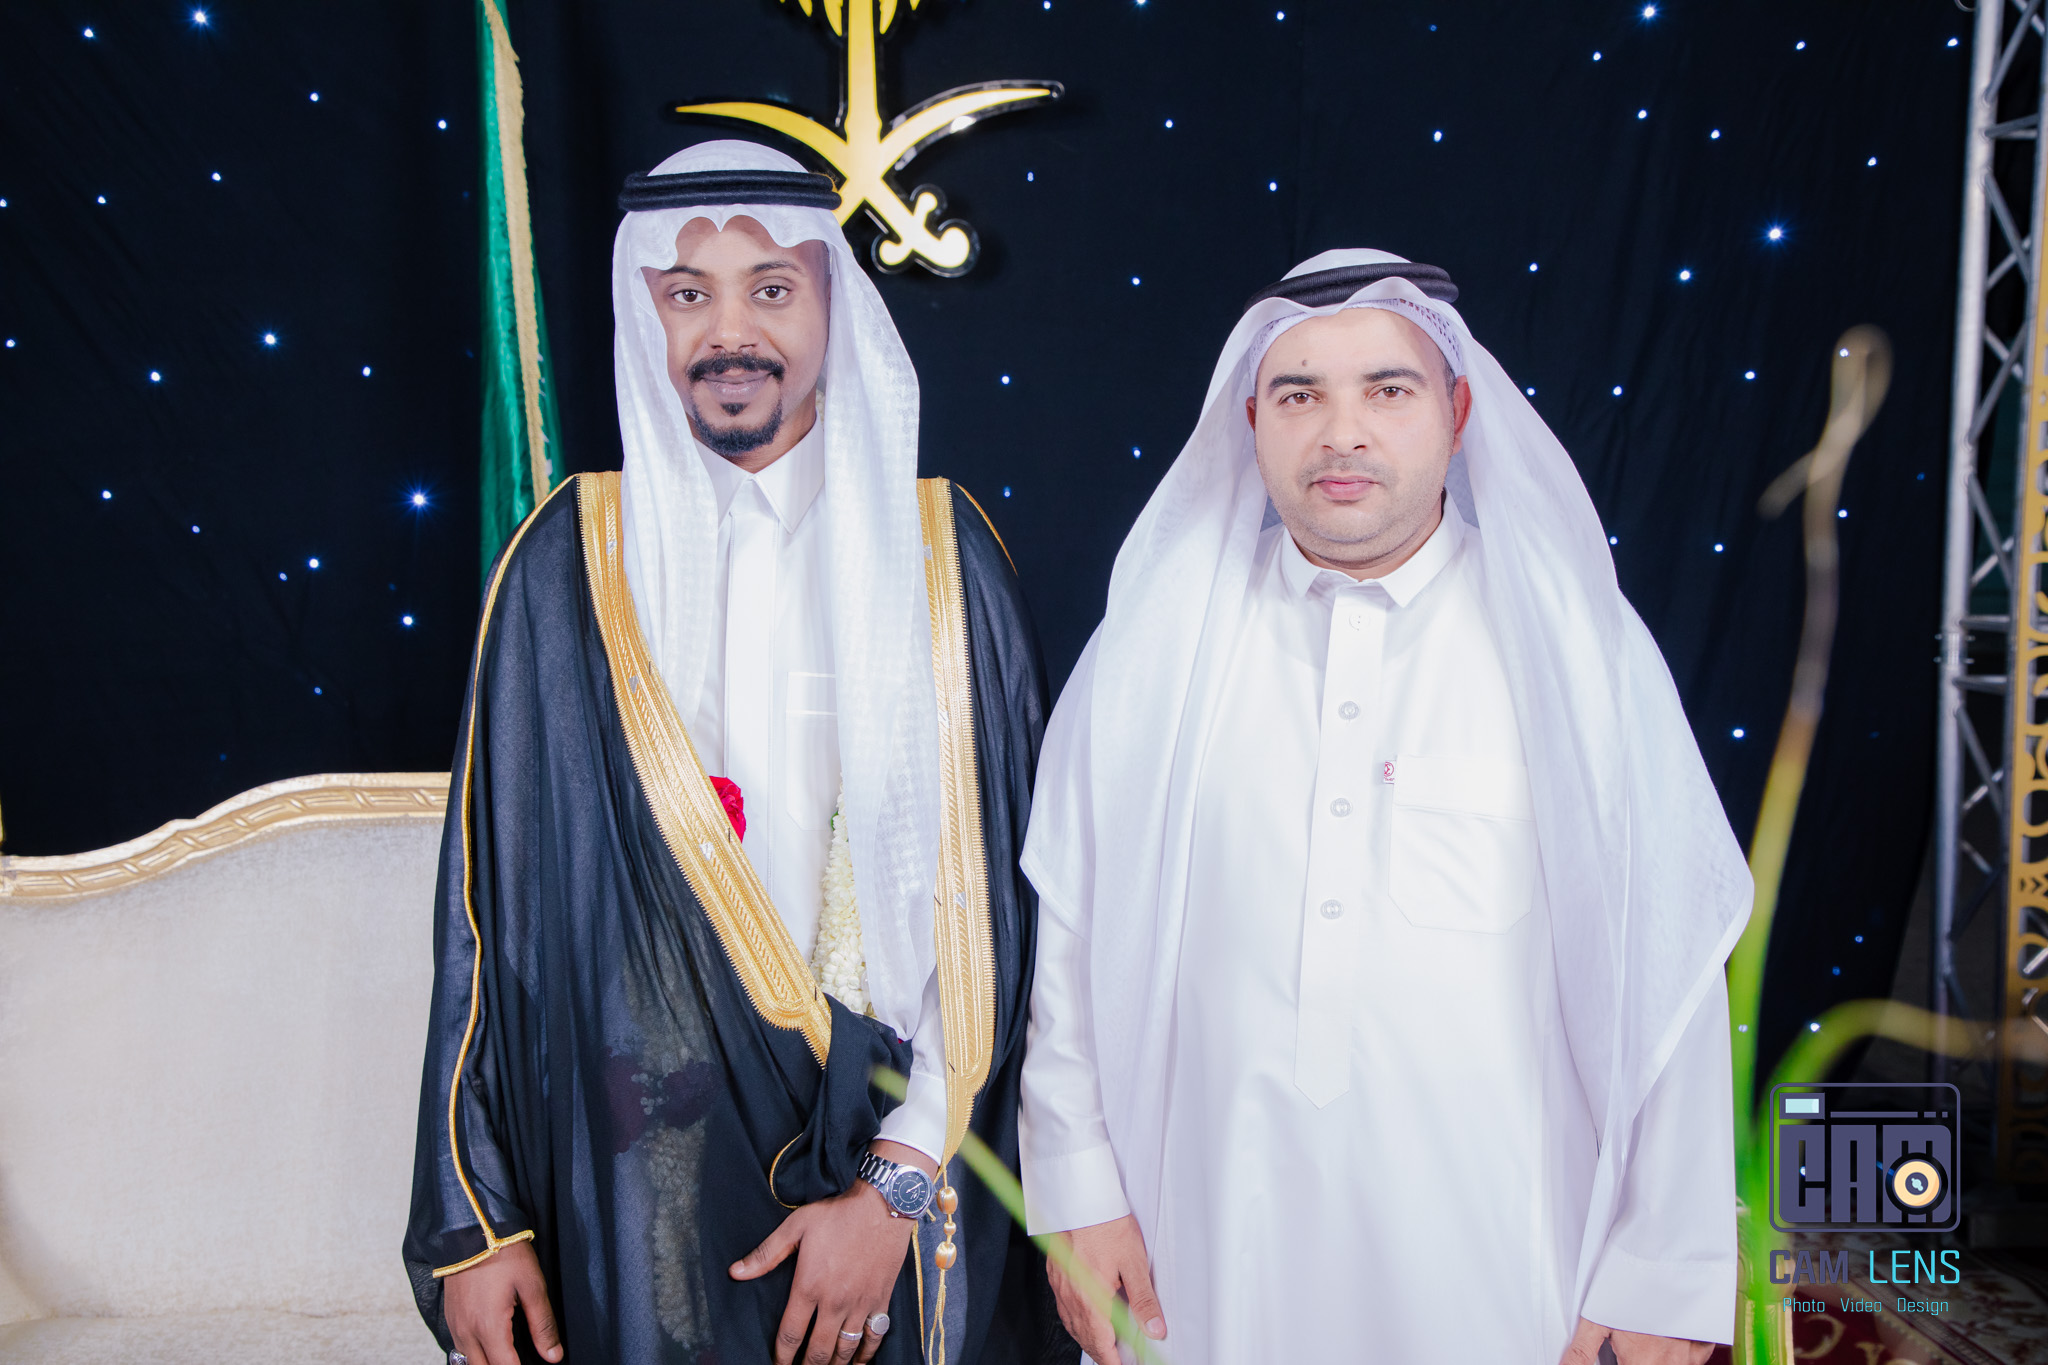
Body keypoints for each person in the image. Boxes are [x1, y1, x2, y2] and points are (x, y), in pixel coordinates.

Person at [1016, 250, 1751, 1364]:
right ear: (1251, 421)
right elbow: (1070, 940)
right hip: (1204, 1246)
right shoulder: (1156, 643)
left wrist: (1666, 1267)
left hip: (1502, 1261)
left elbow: (1673, 972)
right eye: (1298, 395)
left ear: (1457, 413)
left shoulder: (1572, 644)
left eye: (1387, 390)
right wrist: (1077, 1190)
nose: (1340, 433)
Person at [403, 140, 1050, 1365]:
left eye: (771, 288)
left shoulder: (941, 557)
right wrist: (475, 1222)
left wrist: (898, 1181)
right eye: (687, 293)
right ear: (643, 311)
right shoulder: (563, 565)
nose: (728, 332)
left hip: (895, 1174)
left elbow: (1007, 913)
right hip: (639, 1181)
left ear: (832, 308)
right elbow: (487, 926)